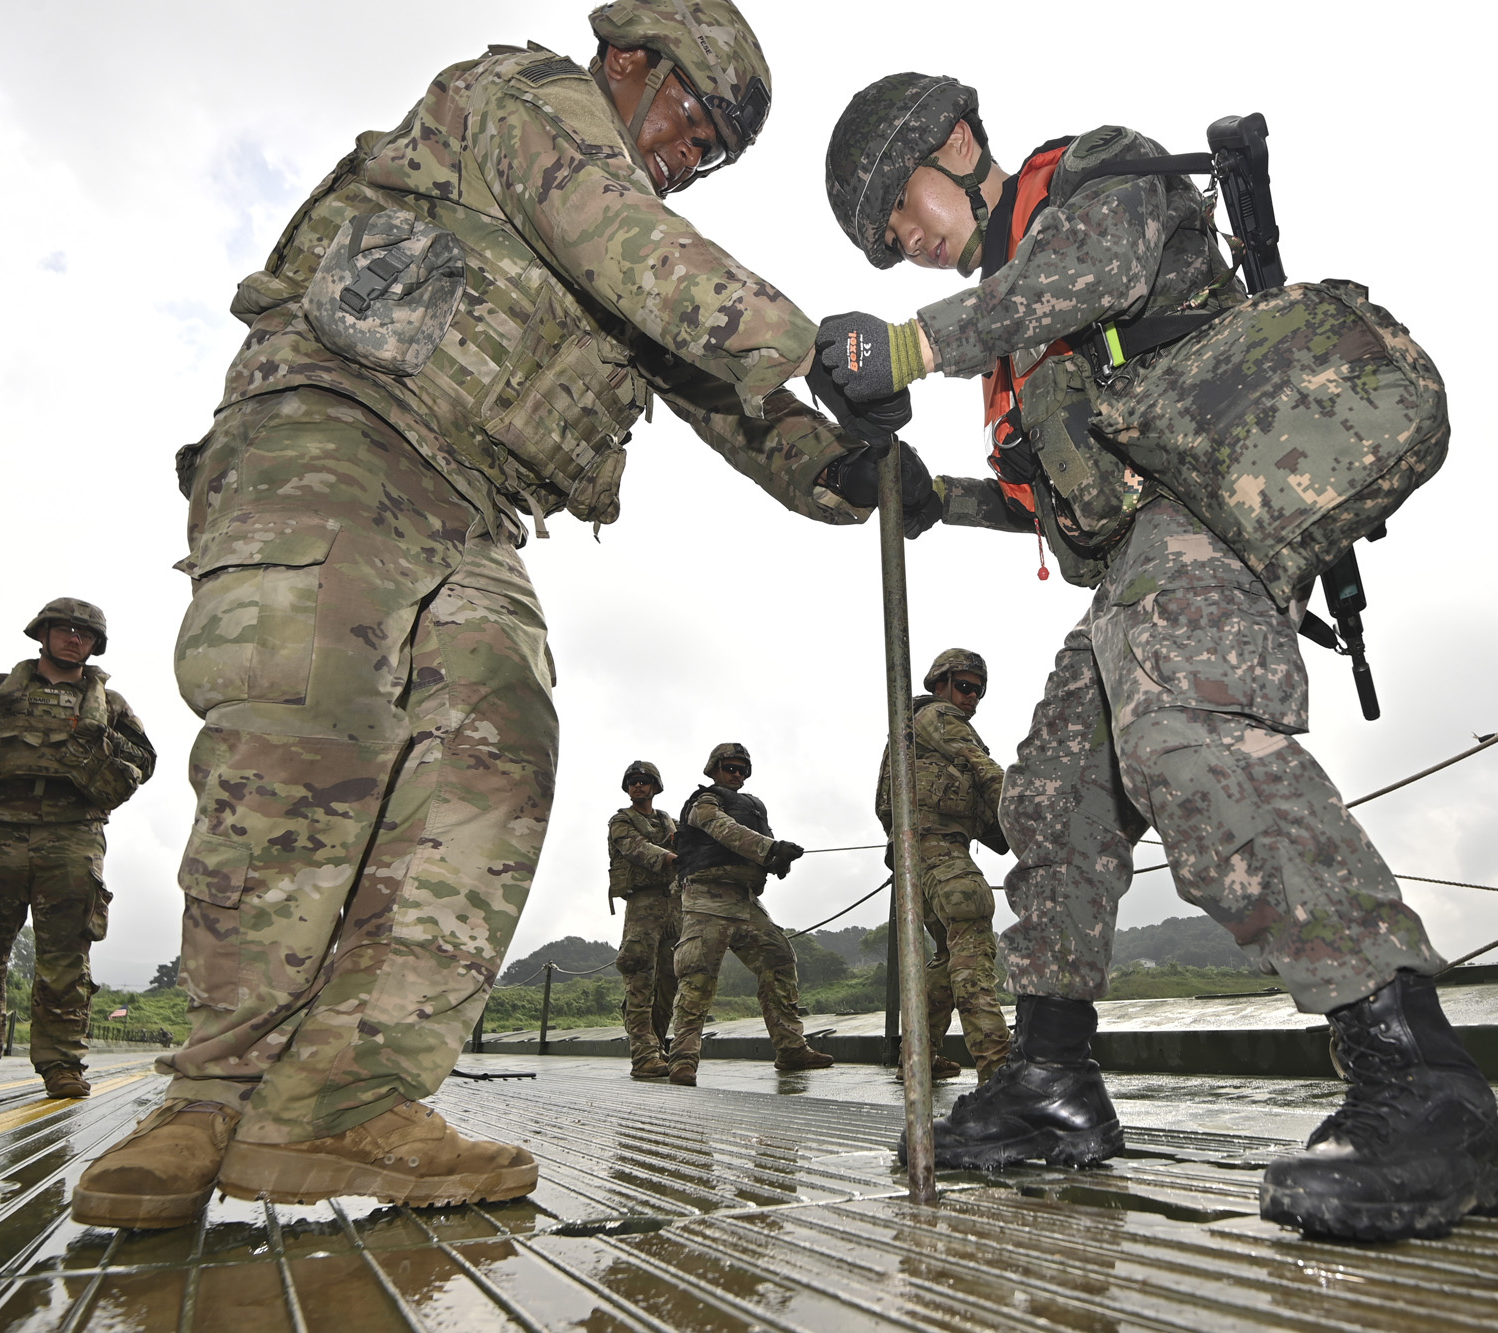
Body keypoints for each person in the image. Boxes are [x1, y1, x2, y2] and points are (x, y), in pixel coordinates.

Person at [71, 0, 938, 1232]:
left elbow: (738, 406)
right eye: (695, 119)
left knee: (497, 742)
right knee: (309, 732)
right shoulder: (524, 100)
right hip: (338, 423)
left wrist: (882, 481)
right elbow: (635, 250)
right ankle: (208, 1096)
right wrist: (827, 340)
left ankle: (338, 1103)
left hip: (473, 504)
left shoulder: (644, 244)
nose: (692, 158)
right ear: (630, 62)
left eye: (716, 153)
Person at [813, 74, 1498, 1243]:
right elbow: (1066, 505)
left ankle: (1424, 1087)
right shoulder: (1012, 334)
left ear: (952, 143)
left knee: (1183, 736)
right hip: (1132, 554)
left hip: (1205, 516)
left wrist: (904, 346)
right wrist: (936, 496)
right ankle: (1050, 1081)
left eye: (900, 208)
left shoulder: (1091, 178)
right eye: (888, 242)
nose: (906, 240)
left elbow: (1098, 275)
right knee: (1050, 793)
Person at [0, 598, 155, 1103]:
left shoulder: (109, 705)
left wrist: (96, 744)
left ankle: (63, 1067)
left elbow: (145, 761)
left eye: (84, 634)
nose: (74, 638)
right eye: (64, 629)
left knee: (66, 958)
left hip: (71, 835)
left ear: (95, 645)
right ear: (42, 634)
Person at [876, 649, 1010, 1083]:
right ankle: (999, 1069)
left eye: (979, 691)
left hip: (914, 858)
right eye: (965, 686)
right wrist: (1031, 815)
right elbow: (984, 769)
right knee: (973, 945)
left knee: (948, 956)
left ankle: (918, 1057)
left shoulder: (913, 731)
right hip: (938, 850)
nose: (972, 698)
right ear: (940, 683)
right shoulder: (939, 717)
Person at [665, 743, 832, 1086]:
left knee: (779, 959)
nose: (736, 774)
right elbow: (720, 827)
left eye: (742, 769)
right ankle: (682, 1060)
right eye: (730, 768)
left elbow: (756, 844)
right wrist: (770, 849)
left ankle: (790, 1048)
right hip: (706, 899)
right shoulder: (705, 801)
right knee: (697, 978)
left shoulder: (754, 807)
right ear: (713, 769)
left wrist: (775, 861)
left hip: (745, 900)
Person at [608, 760, 680, 1078]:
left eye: (644, 781)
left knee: (670, 982)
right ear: (628, 787)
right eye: (633, 781)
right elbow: (637, 849)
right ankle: (643, 1055)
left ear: (654, 786)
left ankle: (658, 1048)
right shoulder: (621, 821)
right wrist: (669, 856)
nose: (638, 785)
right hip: (642, 908)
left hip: (673, 908)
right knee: (640, 981)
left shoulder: (669, 822)